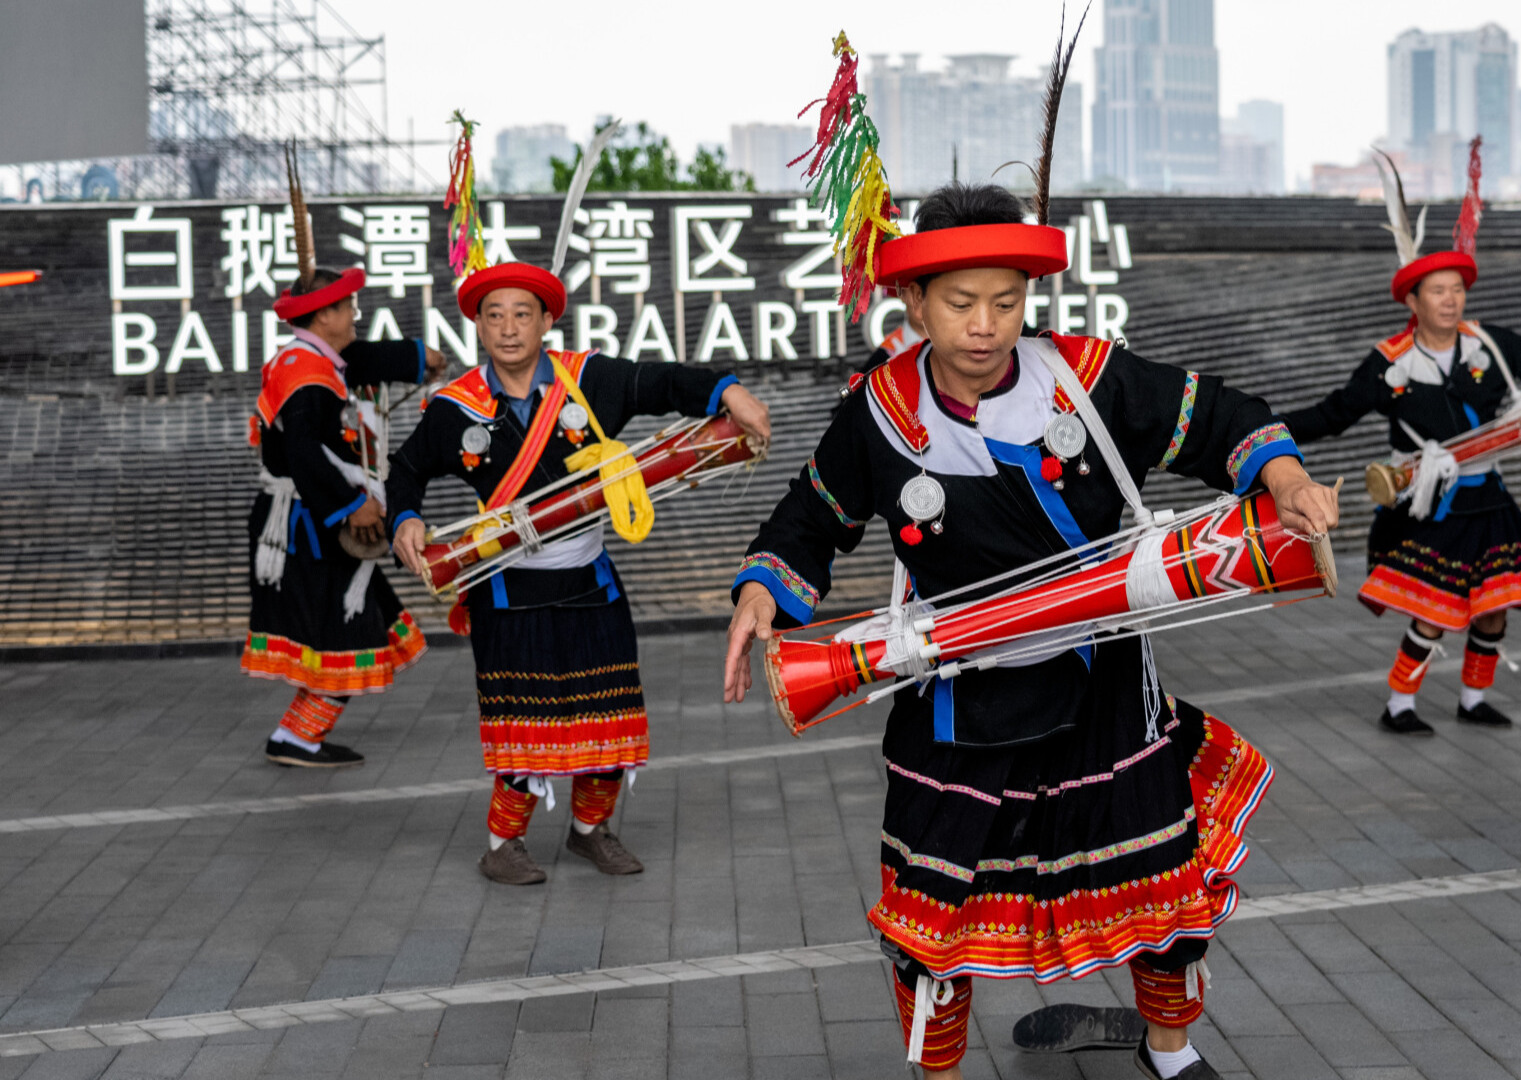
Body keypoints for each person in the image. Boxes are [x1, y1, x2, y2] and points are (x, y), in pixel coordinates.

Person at [724, 183, 1340, 1080]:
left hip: (1102, 686)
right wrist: (761, 593)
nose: (986, 326)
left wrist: (1284, 482)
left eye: (1006, 303)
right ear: (914, 304)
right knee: (929, 921)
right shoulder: (879, 411)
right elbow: (813, 517)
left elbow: (1222, 420)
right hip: (958, 704)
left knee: (1161, 885)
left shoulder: (1087, 378)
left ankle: (1170, 1053)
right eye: (962, 304)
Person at [388, 262, 771, 884]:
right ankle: (502, 844)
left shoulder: (587, 379)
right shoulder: (454, 407)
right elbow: (405, 470)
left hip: (589, 579)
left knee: (610, 710)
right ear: (478, 327)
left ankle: (589, 831)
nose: (509, 328)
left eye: (522, 314)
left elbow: (660, 381)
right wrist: (404, 518)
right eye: (494, 316)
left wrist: (728, 392)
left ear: (546, 321)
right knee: (524, 720)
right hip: (508, 588)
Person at [1282, 141, 1521, 736]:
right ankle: (1399, 705)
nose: (1451, 299)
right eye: (1437, 291)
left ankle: (1474, 698)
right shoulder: (1388, 364)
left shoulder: (1489, 346)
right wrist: (1263, 431)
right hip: (1431, 504)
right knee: (1433, 613)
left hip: (1489, 496)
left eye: (1457, 289)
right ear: (1413, 300)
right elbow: (1333, 414)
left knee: (1496, 607)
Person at [244, 263, 444, 767]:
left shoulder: (313, 358)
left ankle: (296, 736)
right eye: (347, 307)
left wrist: (421, 359)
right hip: (305, 527)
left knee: (351, 627)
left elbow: (359, 358)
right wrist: (353, 505)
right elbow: (306, 454)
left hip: (310, 520)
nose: (355, 314)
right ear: (325, 314)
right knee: (351, 631)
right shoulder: (306, 375)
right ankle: (296, 738)